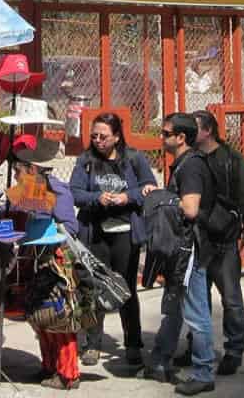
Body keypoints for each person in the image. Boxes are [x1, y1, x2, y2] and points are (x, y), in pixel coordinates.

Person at [70, 111, 158, 367]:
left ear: (117, 137)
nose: (98, 140)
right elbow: (74, 192)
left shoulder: (134, 159)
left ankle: (133, 344)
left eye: (103, 136)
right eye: (94, 135)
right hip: (95, 234)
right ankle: (92, 344)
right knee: (94, 287)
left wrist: (126, 198)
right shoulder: (85, 161)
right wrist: (95, 199)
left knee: (126, 289)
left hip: (125, 235)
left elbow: (148, 188)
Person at [181, 109, 244, 376]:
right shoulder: (191, 159)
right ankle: (197, 347)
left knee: (231, 299)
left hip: (224, 241)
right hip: (197, 239)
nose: (190, 133)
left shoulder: (231, 160)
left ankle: (234, 350)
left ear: (207, 131)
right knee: (197, 300)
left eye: (195, 127)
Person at [146, 113, 217, 396]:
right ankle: (160, 361)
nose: (161, 138)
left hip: (191, 251)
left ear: (181, 138)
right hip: (181, 250)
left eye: (165, 134)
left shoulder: (191, 168)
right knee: (173, 308)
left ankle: (203, 372)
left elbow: (190, 208)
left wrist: (161, 198)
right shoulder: (185, 164)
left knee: (196, 315)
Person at [14, 135, 81, 390]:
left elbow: (70, 227)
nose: (17, 173)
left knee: (59, 319)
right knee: (40, 318)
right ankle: (50, 366)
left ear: (33, 167)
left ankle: (68, 374)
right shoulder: (25, 189)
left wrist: (48, 225)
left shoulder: (58, 190)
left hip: (57, 263)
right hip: (35, 262)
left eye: (20, 168)